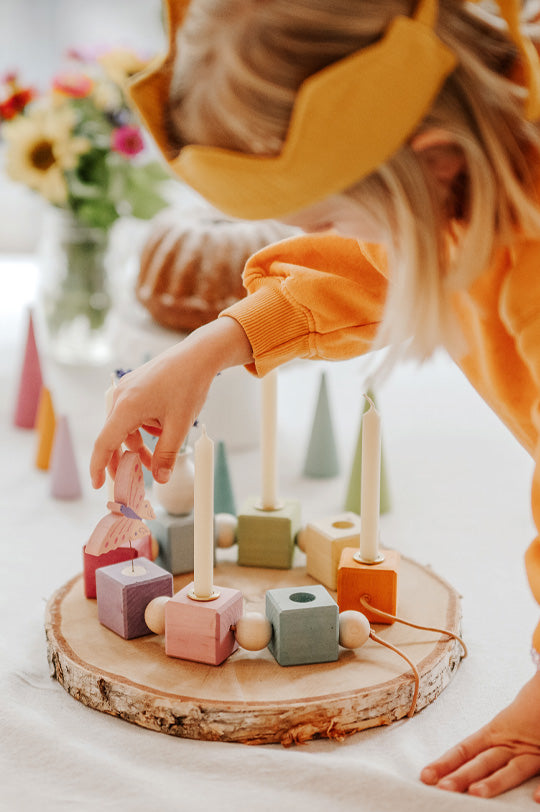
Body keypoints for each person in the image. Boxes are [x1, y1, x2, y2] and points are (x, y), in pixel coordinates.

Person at [90, 0, 540, 799]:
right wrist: (218, 342)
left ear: (434, 162)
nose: (345, 236)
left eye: (332, 211)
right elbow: (373, 258)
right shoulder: (470, 148)